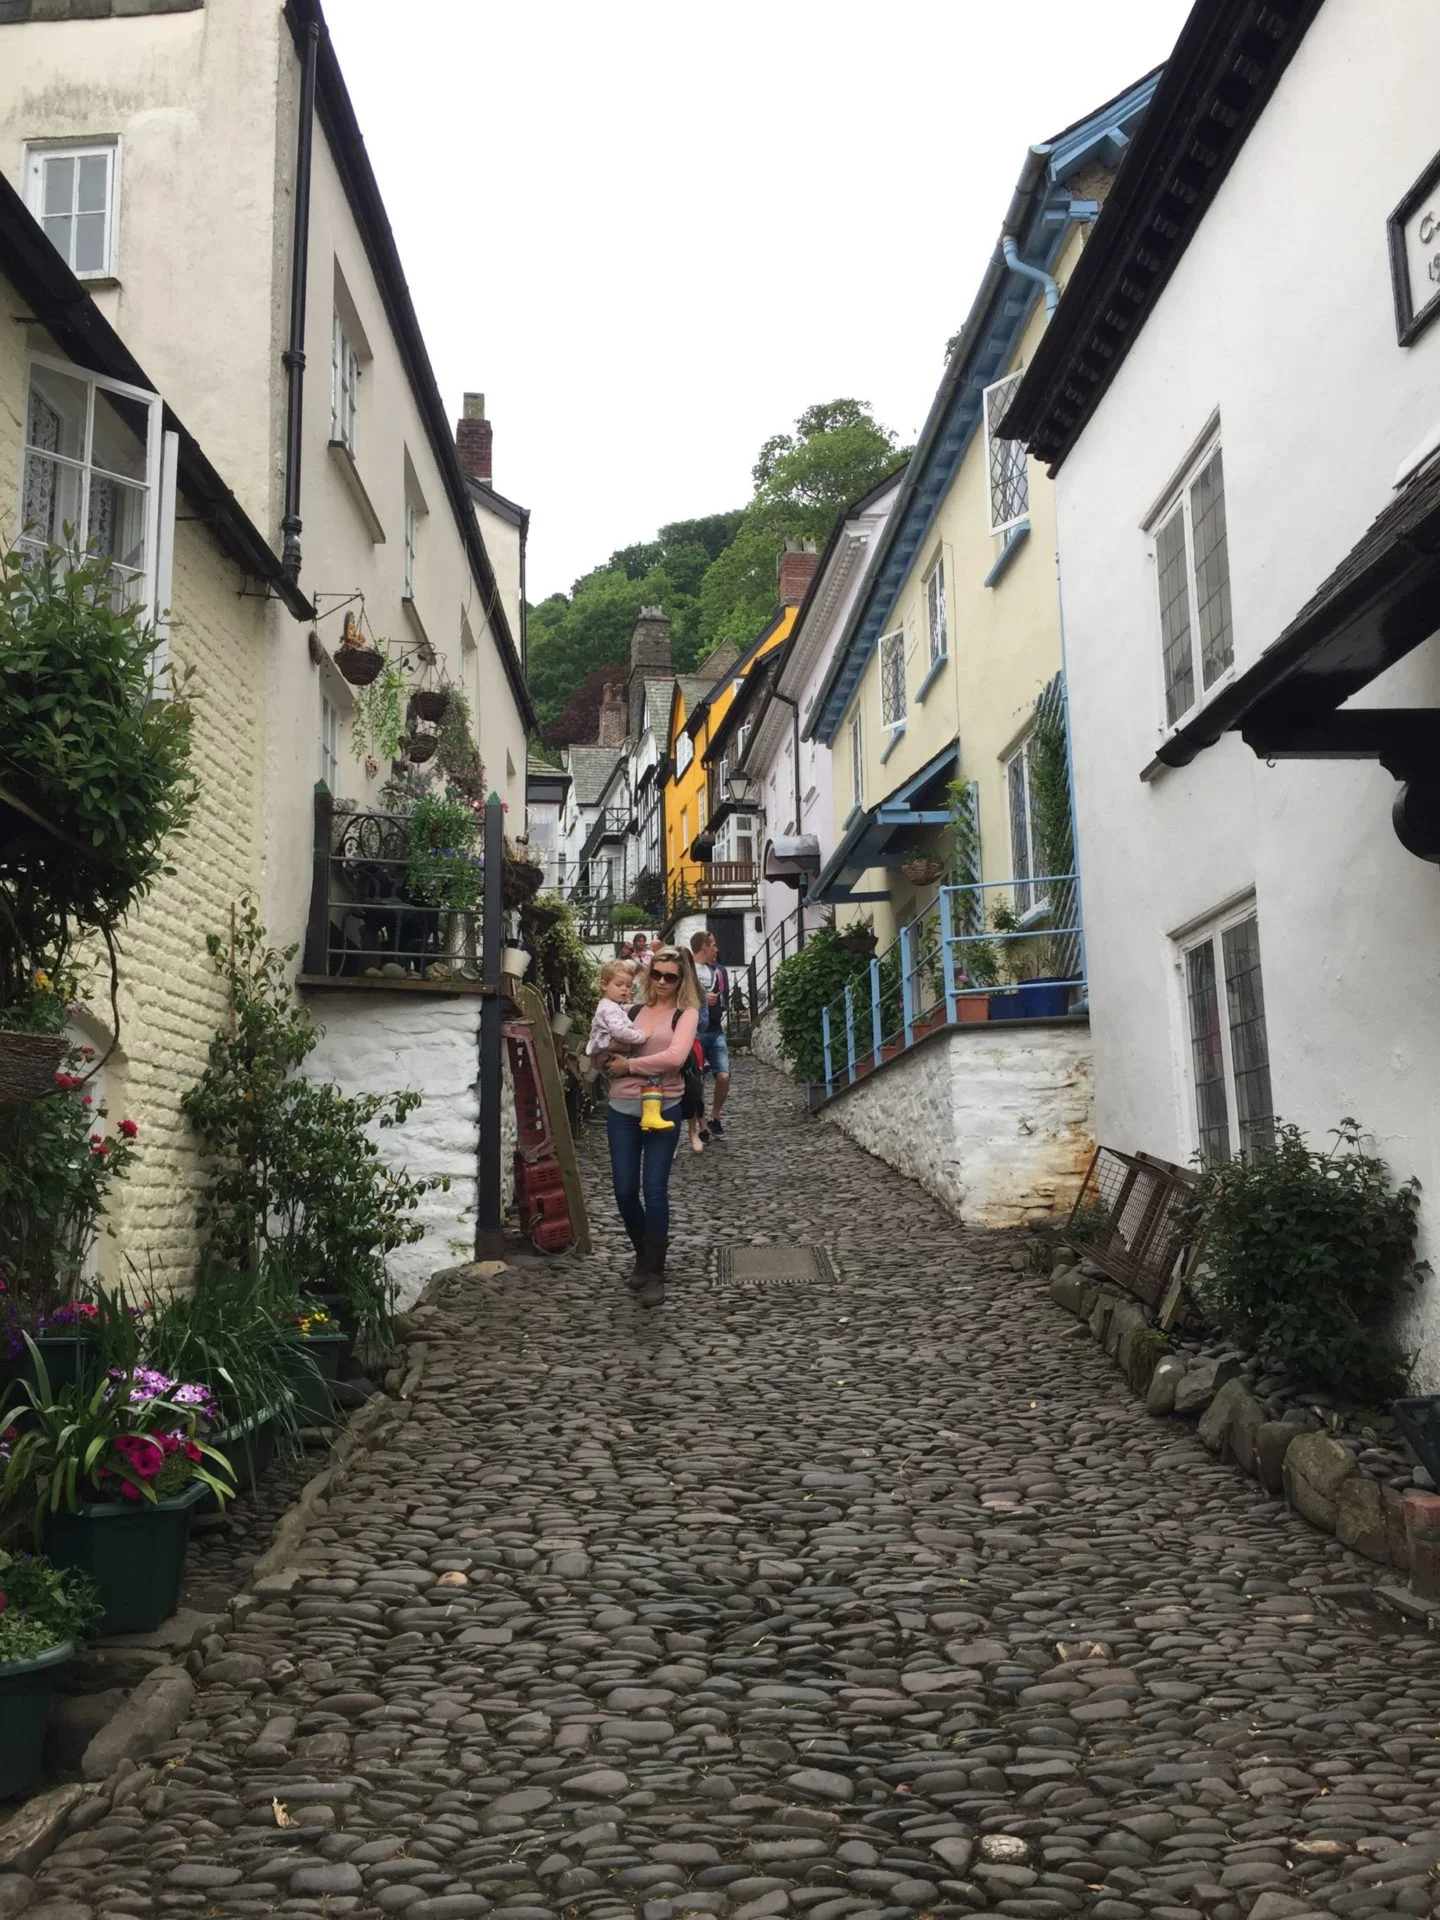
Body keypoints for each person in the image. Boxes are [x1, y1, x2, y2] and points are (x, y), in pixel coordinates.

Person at [604, 944, 700, 1307]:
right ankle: (644, 1253)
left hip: (666, 1105)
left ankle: (655, 1272)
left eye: (670, 977)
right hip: (621, 1107)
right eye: (656, 974)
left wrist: (630, 1065)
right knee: (625, 1191)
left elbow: (675, 1057)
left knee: (654, 1189)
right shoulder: (630, 1010)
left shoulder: (685, 1014)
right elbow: (606, 1049)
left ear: (681, 980)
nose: (661, 981)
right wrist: (604, 1054)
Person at [587, 961, 673, 1132]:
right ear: (604, 985)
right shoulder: (609, 1008)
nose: (624, 990)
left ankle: (649, 1114)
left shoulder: (610, 1006)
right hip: (609, 1053)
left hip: (605, 1052)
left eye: (628, 985)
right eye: (619, 985)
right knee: (653, 1072)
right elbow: (619, 1032)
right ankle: (651, 1114)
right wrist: (641, 1036)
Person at [690, 929, 732, 1141]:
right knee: (698, 1082)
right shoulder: (687, 972)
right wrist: (703, 998)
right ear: (704, 946)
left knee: (723, 1076)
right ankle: (702, 1125)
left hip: (716, 1030)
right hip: (693, 1033)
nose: (716, 949)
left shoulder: (719, 971)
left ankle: (715, 1116)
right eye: (713, 944)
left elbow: (724, 998)